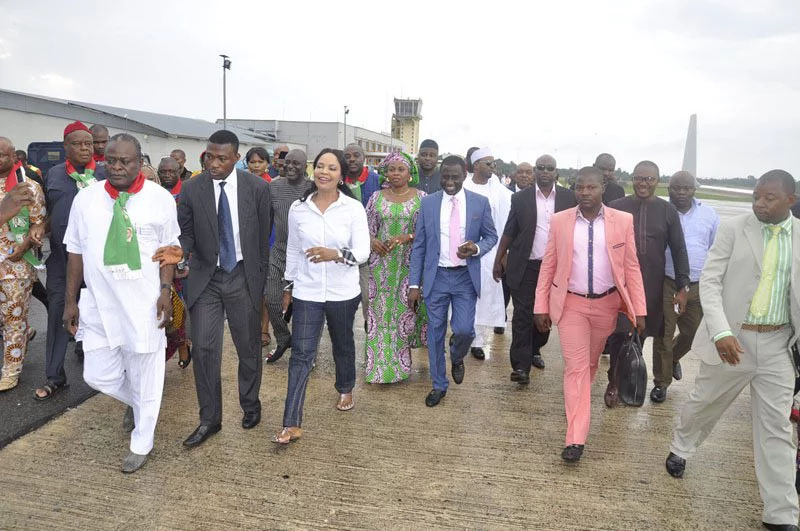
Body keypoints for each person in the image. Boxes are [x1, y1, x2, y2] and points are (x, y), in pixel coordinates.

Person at [666, 170, 800, 530]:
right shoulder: (733, 228)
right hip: (732, 339)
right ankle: (682, 445)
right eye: (756, 196)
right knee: (705, 403)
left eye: (769, 197)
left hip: (778, 344)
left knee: (776, 428)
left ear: (791, 199)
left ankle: (781, 513)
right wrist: (721, 331)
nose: (759, 203)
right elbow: (709, 281)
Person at [63, 133, 179, 473]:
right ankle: (142, 404)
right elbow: (74, 252)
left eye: (124, 161)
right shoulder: (86, 199)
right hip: (99, 302)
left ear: (139, 160)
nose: (115, 167)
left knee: (147, 370)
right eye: (109, 160)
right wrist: (71, 301)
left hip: (144, 301)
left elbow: (170, 251)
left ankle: (142, 441)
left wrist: (165, 292)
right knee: (97, 375)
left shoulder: (159, 199)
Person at [533, 167, 647, 463]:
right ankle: (575, 438)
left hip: (607, 305)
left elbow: (631, 267)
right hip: (571, 304)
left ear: (603, 187)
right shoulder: (560, 221)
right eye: (579, 188)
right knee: (576, 368)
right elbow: (548, 266)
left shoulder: (622, 221)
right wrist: (540, 306)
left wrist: (639, 309)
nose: (585, 193)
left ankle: (578, 406)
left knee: (590, 365)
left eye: (591, 187)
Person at [177, 130, 272, 447]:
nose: (213, 163)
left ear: (236, 158)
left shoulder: (257, 188)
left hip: (243, 276)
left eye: (220, 158)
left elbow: (262, 236)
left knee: (248, 348)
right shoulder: (191, 189)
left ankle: (250, 404)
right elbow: (186, 234)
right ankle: (209, 420)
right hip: (206, 279)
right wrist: (179, 251)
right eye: (209, 156)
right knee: (204, 349)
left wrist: (258, 280)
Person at [272, 148, 369, 444]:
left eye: (332, 168)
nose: (325, 172)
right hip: (308, 291)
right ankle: (291, 423)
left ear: (341, 176)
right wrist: (289, 286)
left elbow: (363, 252)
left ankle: (345, 386)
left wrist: (336, 254)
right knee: (301, 354)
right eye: (321, 167)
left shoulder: (352, 209)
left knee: (342, 344)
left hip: (343, 293)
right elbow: (292, 250)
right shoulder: (299, 209)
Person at [408, 156, 498, 407]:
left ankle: (457, 356)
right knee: (435, 333)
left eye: (454, 177)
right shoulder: (428, 204)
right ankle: (439, 385)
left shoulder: (480, 203)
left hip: (464, 278)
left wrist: (477, 247)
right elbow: (420, 246)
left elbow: (491, 236)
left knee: (463, 330)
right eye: (445, 176)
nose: (449, 182)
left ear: (465, 174)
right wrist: (414, 284)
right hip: (436, 277)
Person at [604, 161, 690, 408]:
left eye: (649, 179)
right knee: (620, 333)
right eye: (639, 178)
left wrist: (683, 287)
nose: (644, 183)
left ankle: (632, 379)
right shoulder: (616, 207)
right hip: (618, 284)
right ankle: (614, 382)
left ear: (657, 181)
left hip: (651, 285)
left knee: (639, 334)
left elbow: (679, 250)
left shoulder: (666, 211)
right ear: (632, 178)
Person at [35, 121, 106, 401]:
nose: (85, 148)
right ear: (65, 147)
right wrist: (40, 228)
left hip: (97, 259)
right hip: (62, 259)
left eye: (88, 143)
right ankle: (55, 376)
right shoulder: (52, 175)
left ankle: (103, 374)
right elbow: (49, 212)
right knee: (57, 312)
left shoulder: (104, 174)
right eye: (78, 143)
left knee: (98, 314)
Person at [493, 154, 576, 384]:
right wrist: (499, 258)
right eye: (541, 167)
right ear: (536, 171)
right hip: (526, 265)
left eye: (550, 168)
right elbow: (510, 230)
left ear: (556, 172)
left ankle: (534, 349)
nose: (545, 171)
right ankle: (520, 367)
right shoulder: (520, 198)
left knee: (545, 317)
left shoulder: (570, 198)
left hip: (556, 270)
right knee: (522, 315)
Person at [650, 171, 719, 402]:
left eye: (686, 188)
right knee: (664, 334)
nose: (681, 192)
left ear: (694, 189)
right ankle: (661, 383)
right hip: (668, 281)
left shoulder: (709, 214)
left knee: (693, 333)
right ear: (668, 188)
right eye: (676, 188)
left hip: (698, 284)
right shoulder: (660, 211)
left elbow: (714, 248)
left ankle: (674, 359)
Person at [365, 152, 427, 383]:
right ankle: (377, 370)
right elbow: (366, 227)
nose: (396, 174)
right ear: (386, 173)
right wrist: (372, 240)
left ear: (410, 173)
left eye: (401, 169)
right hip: (380, 266)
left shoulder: (422, 198)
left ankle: (399, 370)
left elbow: (428, 231)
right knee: (379, 318)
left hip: (409, 266)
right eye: (392, 169)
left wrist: (407, 236)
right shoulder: (375, 197)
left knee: (403, 318)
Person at [0, 137, 46, 391]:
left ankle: (11, 370)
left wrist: (29, 243)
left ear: (13, 158)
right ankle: (23, 336)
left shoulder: (28, 187)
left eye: (1, 155)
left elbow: (39, 222)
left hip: (16, 266)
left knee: (13, 318)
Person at [264, 149, 313, 364]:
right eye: (287, 163)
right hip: (279, 251)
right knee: (271, 298)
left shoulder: (313, 188)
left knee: (306, 306)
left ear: (305, 167)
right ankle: (284, 338)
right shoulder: (273, 186)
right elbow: (265, 221)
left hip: (306, 256)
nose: (291, 167)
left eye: (296, 163)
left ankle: (306, 352)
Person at [462, 148, 511, 359]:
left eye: (493, 164)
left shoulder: (501, 192)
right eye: (488, 163)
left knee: (485, 295)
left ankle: (478, 341)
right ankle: (462, 333)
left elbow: (507, 223)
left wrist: (503, 253)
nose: (493, 168)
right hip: (464, 250)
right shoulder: (462, 186)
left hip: (490, 251)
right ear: (475, 166)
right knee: (463, 295)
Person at [156, 157, 192, 369]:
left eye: (172, 170)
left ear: (180, 170)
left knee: (179, 305)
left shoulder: (187, 192)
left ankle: (182, 344)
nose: (167, 174)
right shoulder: (154, 196)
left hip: (180, 257)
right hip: (156, 258)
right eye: (163, 171)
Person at [343, 143, 381, 322]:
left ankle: (371, 330)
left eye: (356, 155)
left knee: (368, 297)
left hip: (370, 250)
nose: (351, 159)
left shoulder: (377, 181)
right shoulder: (338, 181)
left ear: (364, 158)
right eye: (347, 156)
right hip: (342, 249)